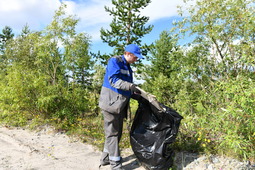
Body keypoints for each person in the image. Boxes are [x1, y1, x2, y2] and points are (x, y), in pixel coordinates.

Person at [98, 44, 143, 170]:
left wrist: (136, 93)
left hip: (119, 105)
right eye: (135, 57)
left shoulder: (127, 67)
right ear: (128, 54)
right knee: (112, 134)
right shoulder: (114, 61)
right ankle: (116, 165)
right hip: (110, 104)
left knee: (116, 135)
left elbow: (126, 88)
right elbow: (114, 81)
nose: (136, 60)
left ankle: (105, 158)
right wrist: (130, 86)